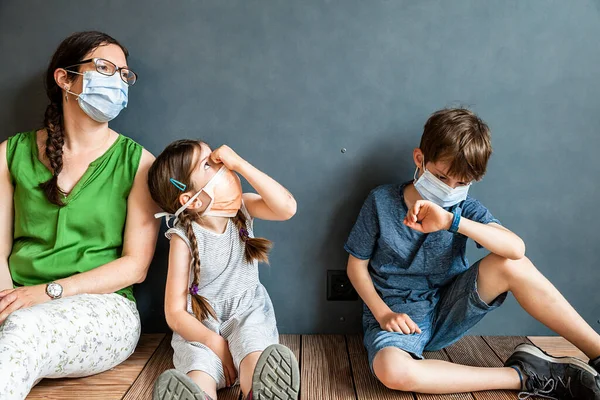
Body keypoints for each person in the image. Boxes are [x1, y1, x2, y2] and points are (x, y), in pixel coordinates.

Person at [345, 108, 600, 399]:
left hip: (448, 308)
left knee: (512, 263)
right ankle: (525, 375)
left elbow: (516, 250)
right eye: (441, 177)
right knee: (393, 372)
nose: (449, 189)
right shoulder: (380, 201)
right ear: (420, 160)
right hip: (398, 317)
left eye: (462, 183)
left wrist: (452, 222)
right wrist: (384, 313)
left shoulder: (464, 210)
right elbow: (356, 266)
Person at [0, 31, 159, 400]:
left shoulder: (139, 163)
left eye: (123, 74)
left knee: (25, 331)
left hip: (104, 309)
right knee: (18, 326)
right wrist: (8, 300)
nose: (117, 80)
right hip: (14, 298)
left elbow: (135, 266)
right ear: (64, 78)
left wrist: (45, 294)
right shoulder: (10, 154)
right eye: (104, 67)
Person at [148, 140, 300, 400]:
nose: (220, 164)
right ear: (190, 200)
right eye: (207, 164)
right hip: (201, 325)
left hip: (247, 313)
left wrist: (240, 164)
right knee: (200, 369)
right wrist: (214, 342)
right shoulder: (182, 237)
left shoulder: (244, 208)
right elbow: (174, 313)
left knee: (254, 354)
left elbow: (287, 208)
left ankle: (262, 392)